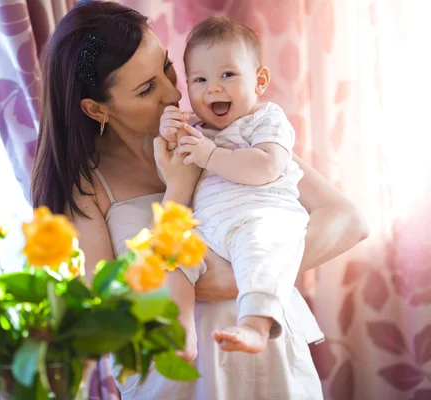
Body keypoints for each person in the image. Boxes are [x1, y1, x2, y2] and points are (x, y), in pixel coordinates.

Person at [31, 2, 368, 399]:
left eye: (167, 67)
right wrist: (179, 188)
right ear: (96, 108)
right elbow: (112, 318)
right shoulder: (85, 189)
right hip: (177, 383)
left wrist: (243, 272)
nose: (176, 92)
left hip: (271, 366)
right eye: (146, 88)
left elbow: (347, 221)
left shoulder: (222, 131)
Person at [159, 16, 315, 358]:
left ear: (259, 81)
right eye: (200, 79)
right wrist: (171, 135)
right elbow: (174, 173)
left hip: (260, 215)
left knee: (261, 253)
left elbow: (266, 166)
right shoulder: (198, 131)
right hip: (210, 227)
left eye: (227, 74)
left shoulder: (265, 119)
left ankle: (255, 327)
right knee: (174, 255)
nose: (213, 88)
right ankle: (181, 330)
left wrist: (211, 154)